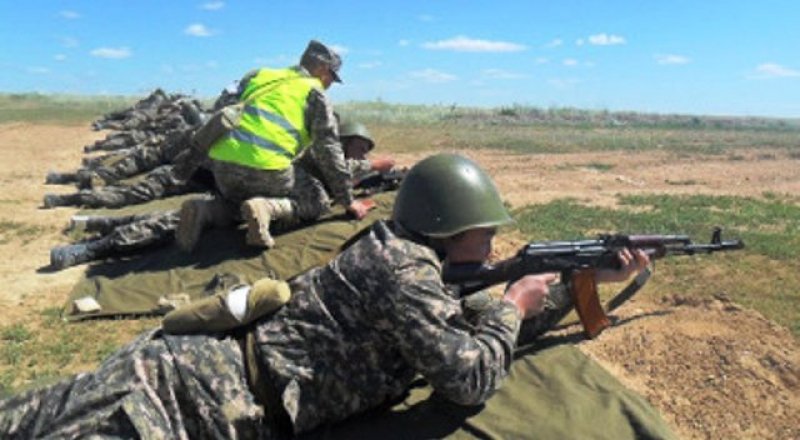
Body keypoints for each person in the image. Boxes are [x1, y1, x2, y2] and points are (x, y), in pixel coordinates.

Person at [1, 153, 649, 437]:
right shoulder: (408, 279)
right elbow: (469, 376)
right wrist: (515, 303)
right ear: (449, 231)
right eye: (485, 235)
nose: (492, 247)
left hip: (171, 362)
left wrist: (580, 283)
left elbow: (472, 318)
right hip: (191, 410)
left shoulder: (391, 246)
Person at [46, 122, 392, 270]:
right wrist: (379, 165)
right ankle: (91, 242)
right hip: (273, 188)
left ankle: (88, 245)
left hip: (237, 181)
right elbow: (363, 168)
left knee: (195, 215)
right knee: (310, 206)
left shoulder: (314, 146)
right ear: (346, 141)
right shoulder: (328, 153)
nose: (361, 155)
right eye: (359, 148)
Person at [176, 39, 372, 252]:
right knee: (317, 199)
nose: (330, 83)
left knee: (238, 200)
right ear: (323, 69)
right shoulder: (314, 93)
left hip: (223, 168)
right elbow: (328, 149)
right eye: (332, 77)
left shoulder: (259, 76)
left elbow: (221, 111)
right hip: (267, 170)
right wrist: (347, 200)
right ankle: (267, 208)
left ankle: (207, 210)